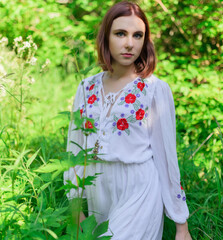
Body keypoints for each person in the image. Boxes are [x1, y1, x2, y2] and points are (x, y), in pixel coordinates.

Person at [64, 1, 192, 239]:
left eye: (137, 35)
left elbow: (166, 159)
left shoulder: (154, 89)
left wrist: (180, 224)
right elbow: (75, 148)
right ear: (106, 37)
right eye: (120, 33)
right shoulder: (86, 87)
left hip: (139, 189)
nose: (129, 43)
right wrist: (75, 209)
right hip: (98, 190)